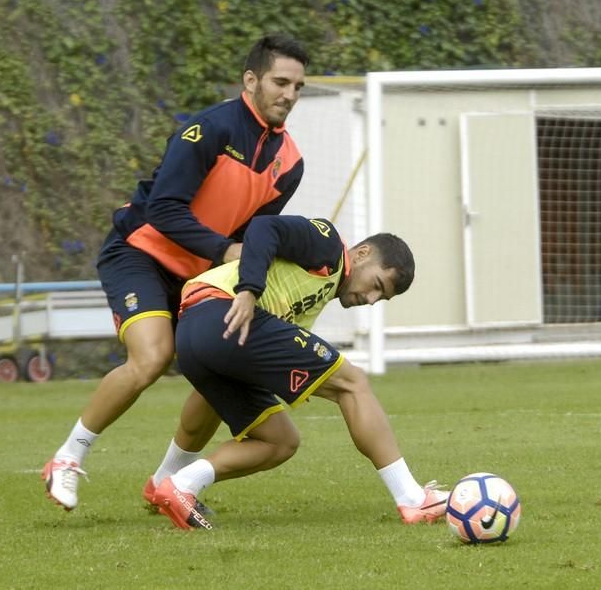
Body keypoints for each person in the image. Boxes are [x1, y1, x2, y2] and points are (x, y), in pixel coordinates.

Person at [43, 34, 310, 511]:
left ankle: (165, 482)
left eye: (298, 86)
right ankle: (67, 457)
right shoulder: (208, 129)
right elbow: (164, 209)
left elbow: (259, 235)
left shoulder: (290, 164)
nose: (288, 95)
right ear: (251, 81)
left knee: (217, 366)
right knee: (151, 359)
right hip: (140, 254)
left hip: (200, 274)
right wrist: (225, 250)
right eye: (280, 82)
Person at [148, 214, 449, 530]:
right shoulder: (328, 244)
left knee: (279, 441)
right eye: (377, 285)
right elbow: (265, 227)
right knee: (353, 383)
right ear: (362, 255)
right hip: (221, 308)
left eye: (380, 299)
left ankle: (175, 483)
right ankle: (413, 498)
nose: (370, 300)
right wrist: (249, 289)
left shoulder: (313, 295)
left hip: (196, 334)